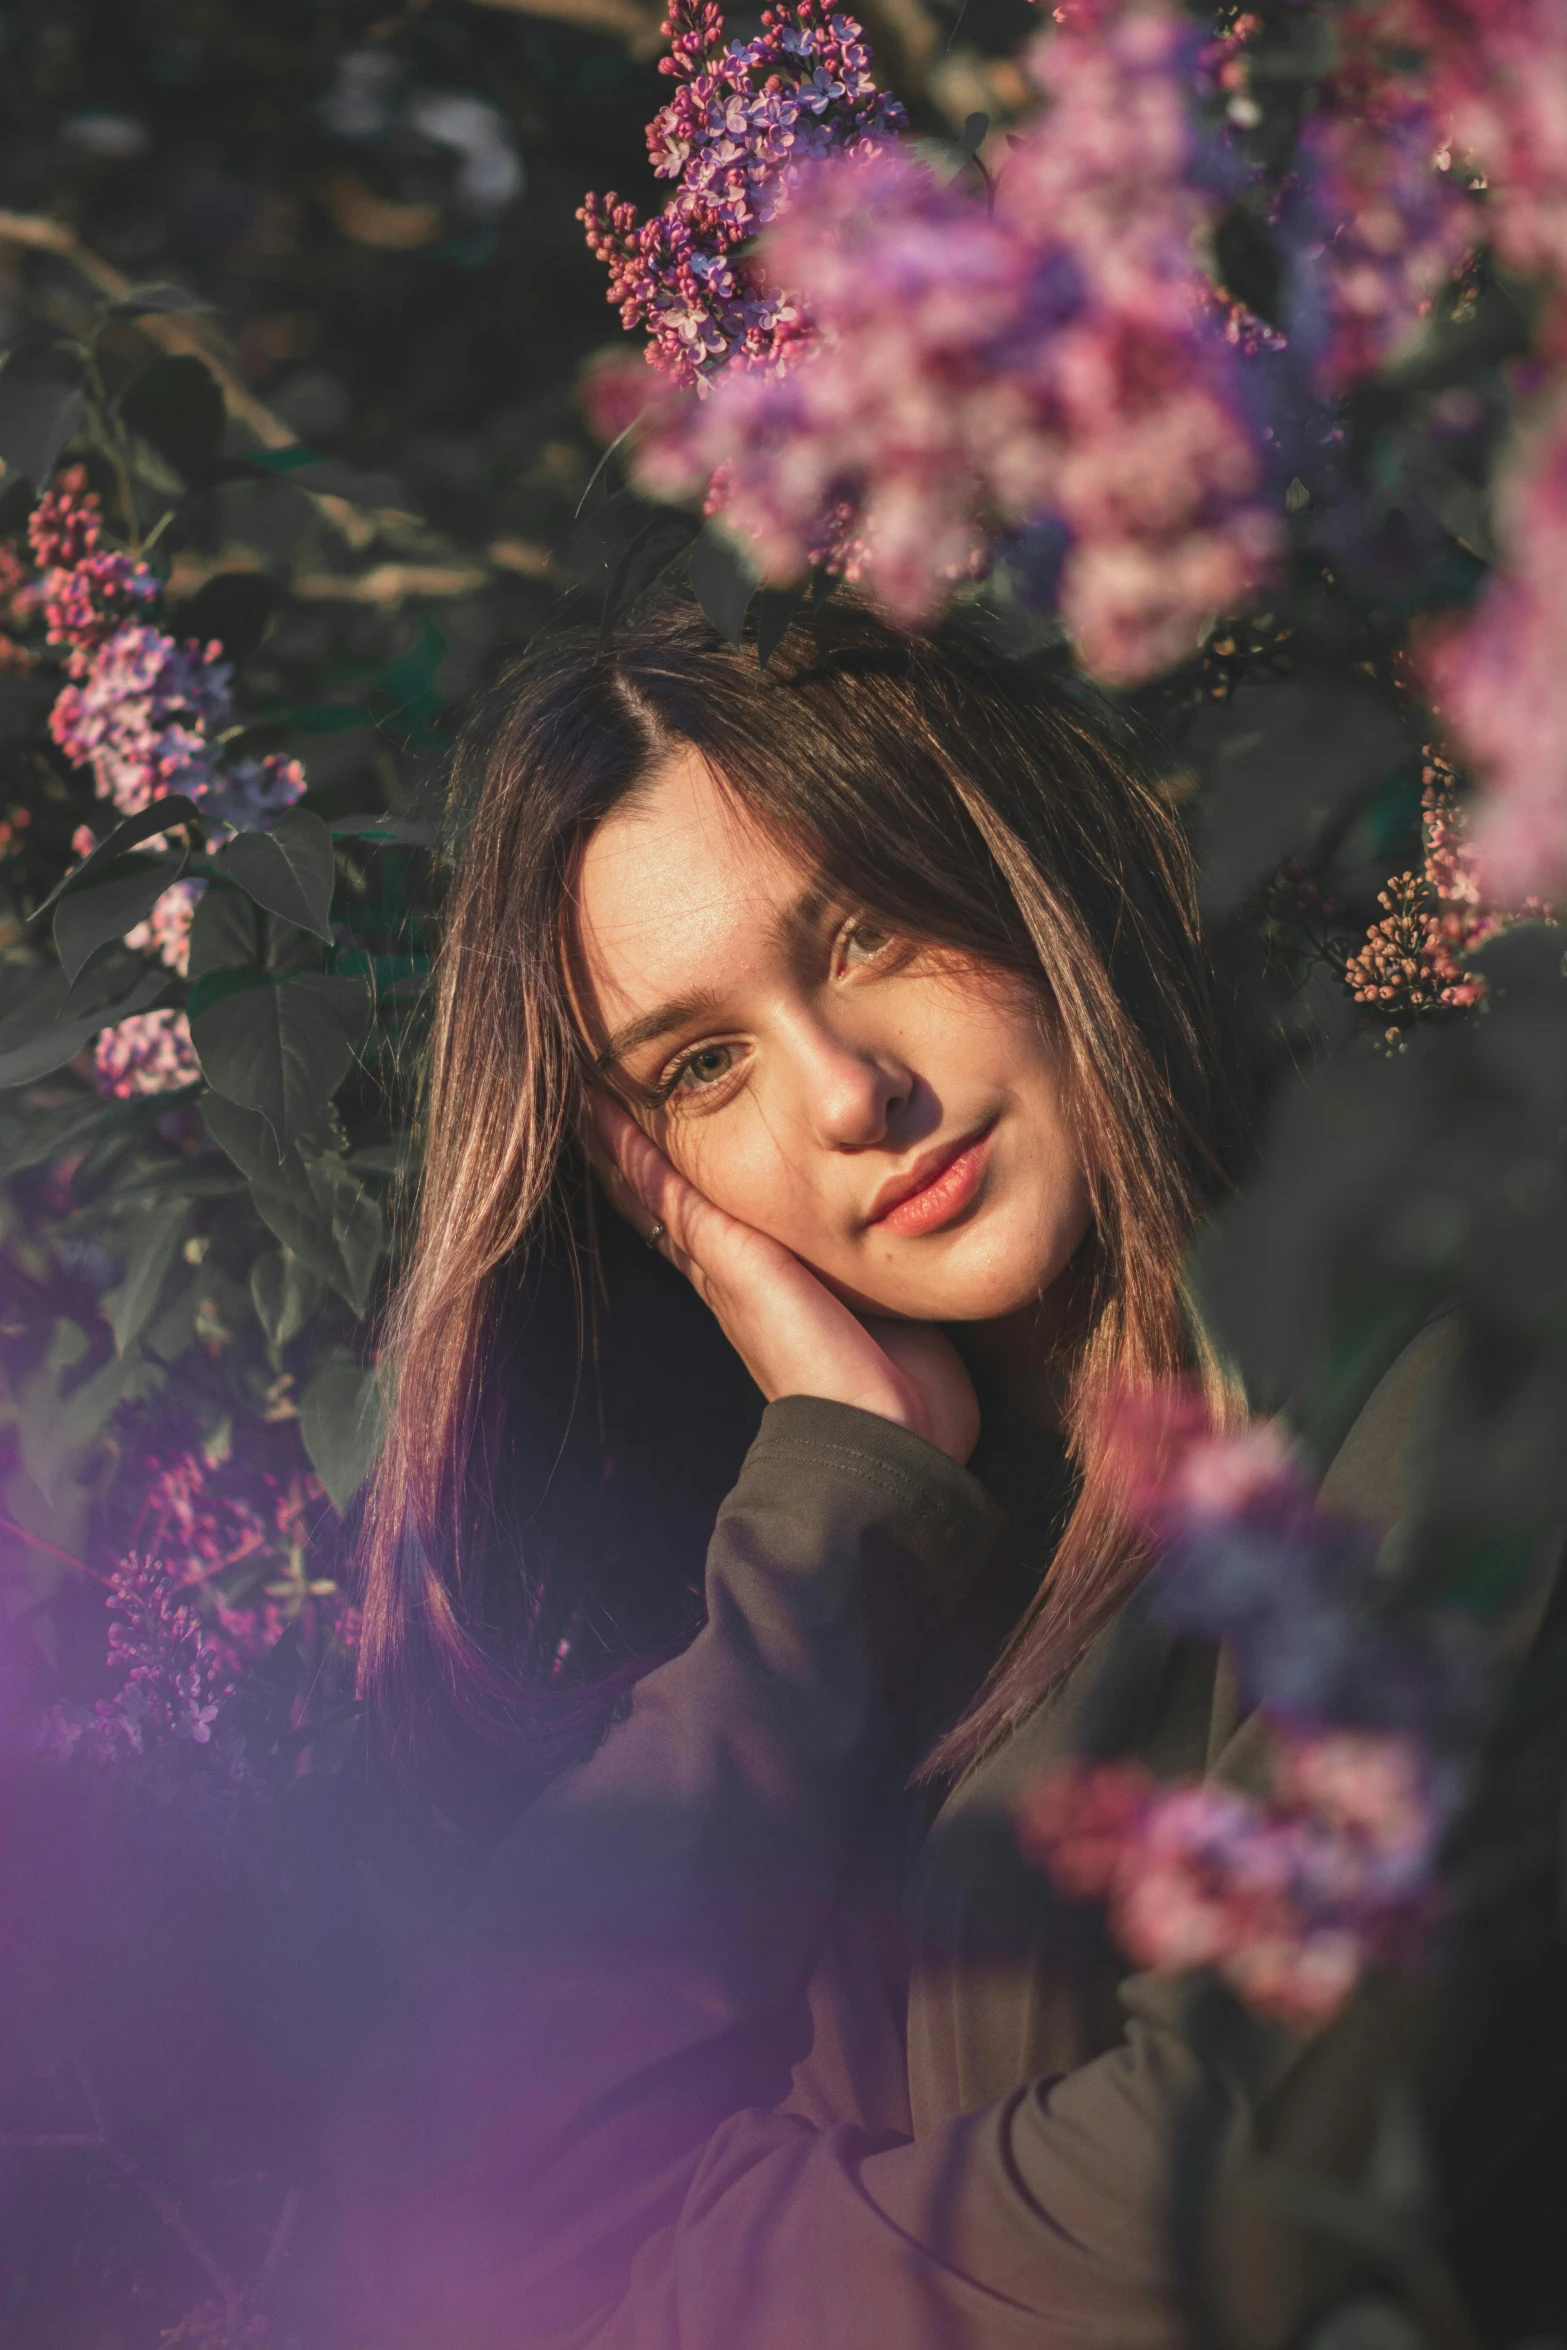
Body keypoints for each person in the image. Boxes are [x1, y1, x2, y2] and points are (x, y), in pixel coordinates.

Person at [344, 592, 1564, 2348]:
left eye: (864, 935)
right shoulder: (837, 1607)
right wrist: (838, 1496)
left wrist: (653, 2266)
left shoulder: (1462, 1369)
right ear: (651, 1190)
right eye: (703, 1064)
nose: (843, 1092)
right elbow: (446, 2216)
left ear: (1021, 868)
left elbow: (1251, 2194)